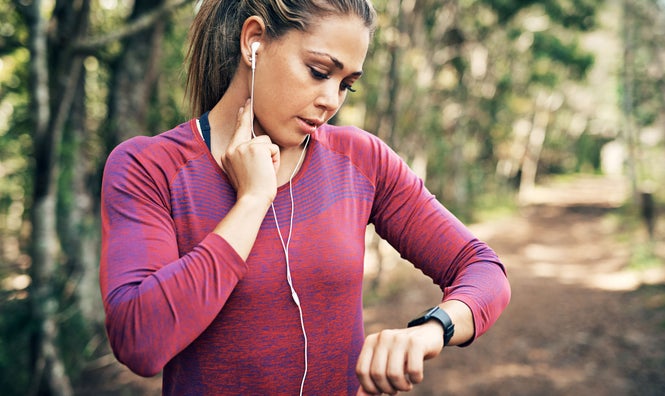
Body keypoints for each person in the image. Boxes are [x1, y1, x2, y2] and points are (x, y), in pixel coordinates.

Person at [99, 0, 511, 394]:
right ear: (254, 41)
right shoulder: (149, 167)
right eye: (318, 72)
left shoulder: (361, 161)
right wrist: (253, 200)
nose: (331, 101)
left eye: (346, 84)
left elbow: (482, 268)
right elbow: (140, 341)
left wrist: (432, 330)